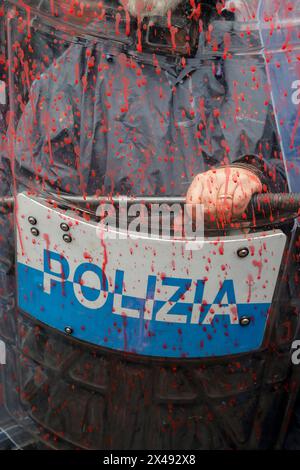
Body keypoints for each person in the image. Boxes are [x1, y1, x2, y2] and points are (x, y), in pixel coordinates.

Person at [0, 0, 298, 450]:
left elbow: (288, 160)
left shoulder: (252, 60)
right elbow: (24, 214)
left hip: (227, 399)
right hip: (84, 394)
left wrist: (253, 175)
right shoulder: (80, 69)